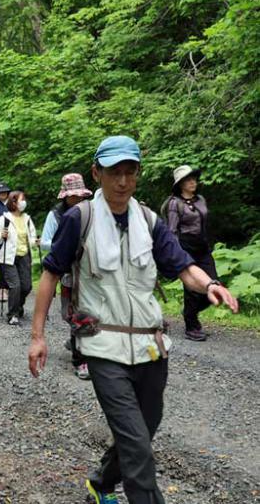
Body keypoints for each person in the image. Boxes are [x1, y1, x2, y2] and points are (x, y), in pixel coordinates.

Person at [28, 136, 238, 504]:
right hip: (102, 344)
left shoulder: (149, 220)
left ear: (138, 174)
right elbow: (50, 275)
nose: (122, 181)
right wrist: (37, 336)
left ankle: (103, 481)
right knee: (138, 446)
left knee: (144, 430)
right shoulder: (81, 218)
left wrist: (211, 285)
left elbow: (182, 266)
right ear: (98, 173)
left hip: (150, 345)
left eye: (129, 172)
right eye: (114, 173)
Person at [41, 173, 93, 380]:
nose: (78, 199)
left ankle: (81, 359)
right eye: (74, 196)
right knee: (69, 313)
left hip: (91, 271)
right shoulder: (55, 215)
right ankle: (77, 342)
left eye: (80, 196)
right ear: (65, 196)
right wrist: (63, 245)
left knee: (85, 313)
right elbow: (45, 242)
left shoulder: (91, 211)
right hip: (68, 272)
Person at [164, 165, 217, 342]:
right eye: (188, 179)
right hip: (186, 247)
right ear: (180, 184)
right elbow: (172, 231)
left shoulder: (200, 199)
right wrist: (177, 254)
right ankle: (191, 326)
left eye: (194, 178)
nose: (193, 182)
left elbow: (204, 222)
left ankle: (189, 312)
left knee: (213, 284)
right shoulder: (174, 203)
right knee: (193, 289)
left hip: (202, 247)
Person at [0, 190, 37, 325]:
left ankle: (18, 306)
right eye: (21, 200)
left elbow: (32, 237)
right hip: (8, 257)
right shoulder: (4, 219)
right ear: (14, 202)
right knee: (15, 286)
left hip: (24, 256)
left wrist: (36, 242)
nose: (24, 202)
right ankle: (12, 314)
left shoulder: (27, 219)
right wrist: (1, 236)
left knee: (27, 286)